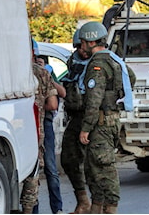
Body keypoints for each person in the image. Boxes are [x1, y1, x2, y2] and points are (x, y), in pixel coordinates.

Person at [78, 21, 134, 214]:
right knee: (93, 169)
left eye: (83, 42)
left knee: (104, 170)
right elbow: (131, 77)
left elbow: (94, 99)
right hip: (110, 120)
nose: (82, 45)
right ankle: (97, 209)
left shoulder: (98, 65)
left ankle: (109, 210)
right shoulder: (114, 59)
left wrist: (86, 127)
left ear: (90, 42)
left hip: (100, 124)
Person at [20, 39, 59, 214]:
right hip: (35, 132)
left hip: (10, 131)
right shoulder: (41, 73)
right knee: (33, 175)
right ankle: (31, 211)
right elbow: (53, 104)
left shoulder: (9, 73)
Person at [59, 29, 92, 214]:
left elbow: (128, 79)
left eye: (84, 45)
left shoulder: (103, 61)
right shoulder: (74, 61)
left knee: (94, 163)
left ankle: (99, 205)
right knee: (68, 159)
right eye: (78, 46)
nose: (82, 50)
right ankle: (83, 201)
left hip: (93, 116)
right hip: (76, 116)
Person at [35, 54, 66, 214]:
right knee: (46, 168)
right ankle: (55, 208)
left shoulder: (46, 75)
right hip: (39, 124)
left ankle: (55, 207)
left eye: (41, 62)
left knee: (45, 169)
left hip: (40, 123)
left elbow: (61, 94)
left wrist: (48, 77)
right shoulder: (36, 74)